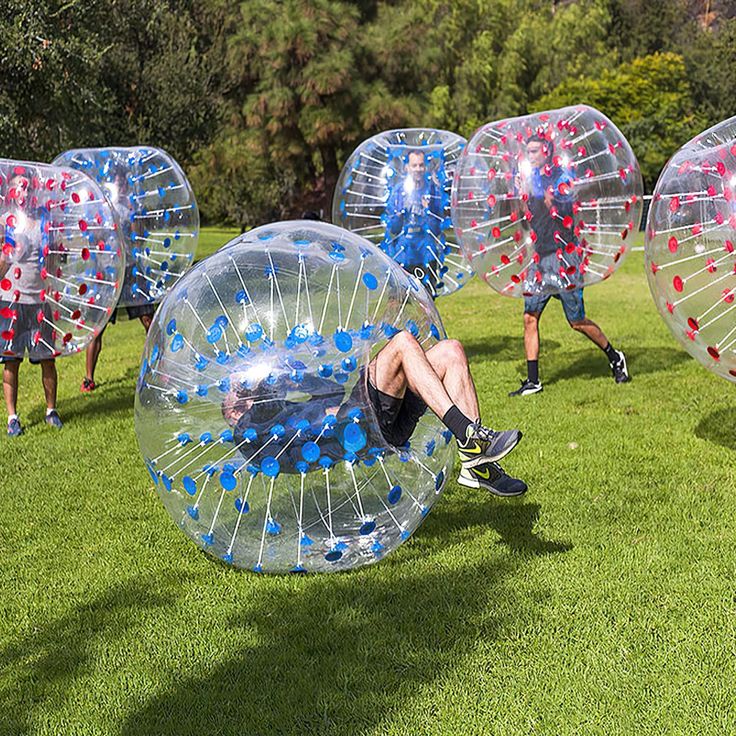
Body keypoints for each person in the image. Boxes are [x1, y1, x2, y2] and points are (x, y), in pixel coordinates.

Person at [224, 331, 527, 497]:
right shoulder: (253, 434)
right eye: (232, 404)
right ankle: (470, 436)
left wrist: (295, 380)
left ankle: (478, 465)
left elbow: (331, 391)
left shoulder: (284, 411)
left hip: (377, 420)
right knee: (402, 344)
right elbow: (259, 408)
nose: (236, 396)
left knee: (451, 351)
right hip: (355, 425)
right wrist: (256, 387)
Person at [509, 134, 630, 397]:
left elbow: (558, 207)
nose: (529, 156)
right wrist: (523, 196)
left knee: (576, 321)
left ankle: (615, 356)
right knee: (530, 317)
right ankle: (533, 381)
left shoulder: (562, 178)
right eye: (527, 152)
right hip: (540, 257)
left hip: (564, 257)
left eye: (534, 151)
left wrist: (538, 192)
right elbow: (529, 218)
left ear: (547, 151)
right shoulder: (531, 179)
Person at [81, 169, 156, 392]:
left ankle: (155, 367)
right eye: (117, 184)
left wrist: (134, 216)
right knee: (98, 326)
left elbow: (139, 238)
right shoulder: (101, 209)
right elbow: (94, 238)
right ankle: (88, 378)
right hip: (109, 272)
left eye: (123, 184)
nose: (121, 187)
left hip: (131, 269)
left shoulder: (132, 208)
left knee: (148, 319)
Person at [0, 173, 62, 436]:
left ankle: (51, 410)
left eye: (26, 188)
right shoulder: (4, 222)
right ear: (11, 192)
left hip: (39, 299)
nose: (22, 193)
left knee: (47, 358)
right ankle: (12, 417)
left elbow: (55, 258)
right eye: (18, 188)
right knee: (11, 361)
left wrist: (55, 285)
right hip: (11, 300)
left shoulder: (43, 221)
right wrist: (8, 255)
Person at [383, 150, 446, 297]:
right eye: (414, 165)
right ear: (407, 167)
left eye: (421, 165)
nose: (418, 169)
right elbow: (392, 228)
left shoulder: (432, 190)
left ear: (425, 168)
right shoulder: (399, 191)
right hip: (402, 255)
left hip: (426, 255)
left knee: (427, 304)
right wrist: (399, 215)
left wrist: (428, 210)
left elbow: (437, 229)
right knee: (398, 301)